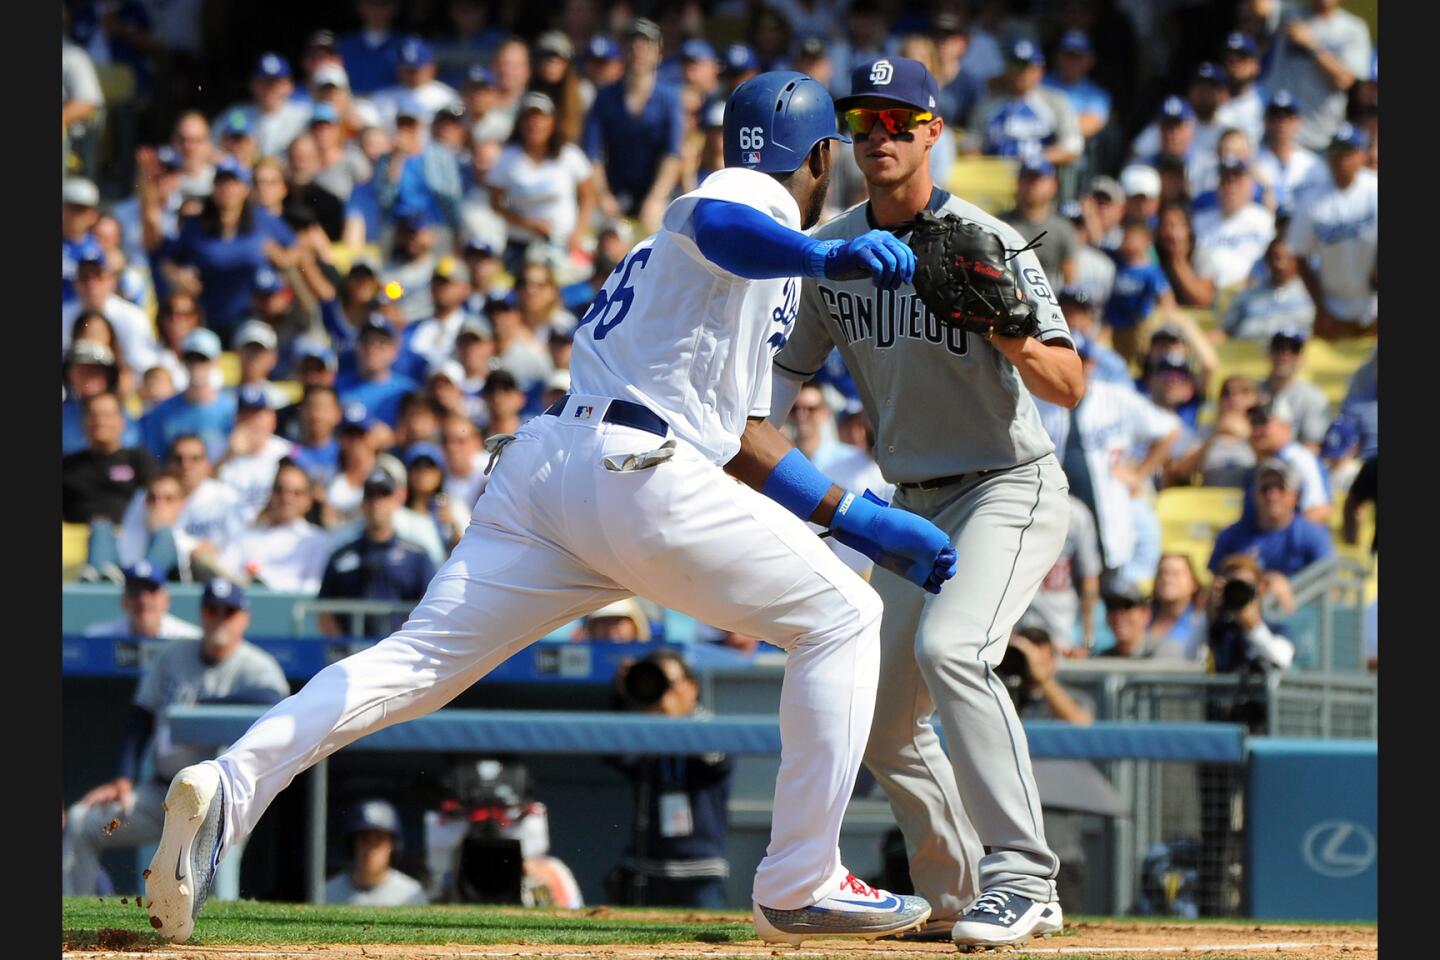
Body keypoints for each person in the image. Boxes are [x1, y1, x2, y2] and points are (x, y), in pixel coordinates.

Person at [145, 70, 947, 946]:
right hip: (635, 469)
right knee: (842, 615)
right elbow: (724, 222)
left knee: (413, 664)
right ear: (822, 154)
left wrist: (856, 517)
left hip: (553, 470)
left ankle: (230, 783)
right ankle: (800, 881)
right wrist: (825, 255)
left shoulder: (741, 258)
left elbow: (747, 435)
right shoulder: (753, 197)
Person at [769, 56, 1080, 948]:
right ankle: (957, 891)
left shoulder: (983, 235)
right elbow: (780, 383)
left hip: (1006, 483)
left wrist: (1004, 324)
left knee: (956, 651)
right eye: (865, 123)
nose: (881, 137)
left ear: (933, 131)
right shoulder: (833, 254)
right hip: (911, 503)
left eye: (900, 122)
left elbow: (1067, 384)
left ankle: (1026, 877)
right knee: (878, 714)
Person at [62, 578, 288, 896]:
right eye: (212, 609)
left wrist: (205, 704)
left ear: (244, 618)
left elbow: (273, 699)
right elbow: (141, 719)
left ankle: (215, 943)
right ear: (202, 614)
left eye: (229, 611)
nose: (219, 617)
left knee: (215, 881)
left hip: (220, 804)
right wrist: (124, 778)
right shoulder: (173, 656)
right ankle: (71, 919)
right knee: (82, 821)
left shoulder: (257, 665)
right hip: (162, 793)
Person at [1038, 337, 1180, 588]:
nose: (1077, 364)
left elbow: (1168, 429)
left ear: (1092, 363)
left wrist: (1139, 473)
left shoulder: (1115, 398)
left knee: (1112, 593)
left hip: (1110, 522)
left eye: (1081, 358)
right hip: (1062, 522)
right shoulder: (1038, 400)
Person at [606, 650, 735, 907]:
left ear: (692, 687)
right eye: (657, 685)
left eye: (670, 685)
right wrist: (624, 699)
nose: (663, 694)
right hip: (646, 869)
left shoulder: (711, 728)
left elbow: (712, 762)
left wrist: (672, 720)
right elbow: (617, 756)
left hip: (700, 870)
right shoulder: (647, 730)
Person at [582, 18, 685, 232]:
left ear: (659, 53)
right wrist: (604, 197)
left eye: (646, 45)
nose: (638, 50)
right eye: (632, 44)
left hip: (657, 191)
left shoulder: (670, 98)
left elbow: (673, 154)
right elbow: (592, 154)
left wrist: (656, 198)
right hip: (614, 190)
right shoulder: (605, 96)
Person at [317, 467, 437, 638]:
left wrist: (399, 641)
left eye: (384, 495)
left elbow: (430, 603)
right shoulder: (341, 557)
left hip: (401, 650)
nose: (377, 502)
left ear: (396, 501)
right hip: (352, 655)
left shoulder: (416, 556)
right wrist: (342, 647)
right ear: (362, 503)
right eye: (371, 495)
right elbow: (324, 610)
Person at [1286, 124, 1378, 339]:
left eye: (1348, 153)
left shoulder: (1375, 189)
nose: (1341, 160)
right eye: (1336, 153)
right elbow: (1299, 255)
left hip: (1375, 304)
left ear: (1360, 155)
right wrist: (1320, 306)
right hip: (1334, 307)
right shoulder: (1311, 201)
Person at [488, 91, 597, 270]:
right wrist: (528, 223)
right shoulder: (507, 158)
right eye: (529, 118)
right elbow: (496, 203)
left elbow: (588, 196)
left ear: (553, 122)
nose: (535, 124)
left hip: (564, 240)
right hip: (521, 242)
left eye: (541, 118)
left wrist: (579, 232)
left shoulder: (569, 155)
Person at [1263, 0, 1372, 152]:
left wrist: (1313, 48)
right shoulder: (1289, 13)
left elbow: (1347, 81)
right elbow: (1259, 9)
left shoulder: (1353, 29)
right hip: (1277, 135)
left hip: (1320, 139)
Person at [1210, 458, 1334, 578]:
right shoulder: (1232, 536)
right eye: (1265, 489)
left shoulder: (1311, 535)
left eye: (1281, 488)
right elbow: (1216, 581)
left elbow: (1328, 582)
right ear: (1254, 495)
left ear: (1295, 496)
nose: (1272, 496)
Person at [219, 459, 332, 592]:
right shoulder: (245, 536)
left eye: (296, 493)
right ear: (271, 493)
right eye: (280, 490)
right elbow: (223, 579)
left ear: (308, 500)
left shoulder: (318, 541)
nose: (286, 498)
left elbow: (312, 589)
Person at [965, 40, 1082, 167]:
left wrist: (1034, 161)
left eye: (1028, 66)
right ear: (1007, 68)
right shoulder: (987, 104)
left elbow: (1072, 147)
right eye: (1017, 65)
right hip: (994, 177)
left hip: (1037, 178)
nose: (1022, 72)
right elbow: (971, 146)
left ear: (1040, 70)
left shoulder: (1056, 102)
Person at [1018, 495, 1101, 656]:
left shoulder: (1075, 513)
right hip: (1023, 627)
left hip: (1063, 627)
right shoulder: (1014, 505)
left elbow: (1089, 579)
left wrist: (1087, 638)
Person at [139, 329, 237, 462]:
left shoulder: (231, 410)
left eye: (203, 359)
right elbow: (156, 459)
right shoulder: (162, 411)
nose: (196, 365)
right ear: (182, 360)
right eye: (191, 358)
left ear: (215, 362)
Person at [63, 392, 157, 525]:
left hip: (127, 538)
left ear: (121, 422)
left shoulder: (139, 460)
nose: (99, 422)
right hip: (75, 539)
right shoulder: (68, 465)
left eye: (107, 415)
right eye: (93, 415)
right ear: (83, 421)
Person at [1191, 158, 1275, 294]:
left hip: (1251, 292)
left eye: (1236, 181)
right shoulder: (1199, 221)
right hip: (1208, 293)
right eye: (1225, 181)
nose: (1230, 187)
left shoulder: (1264, 220)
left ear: (1250, 186)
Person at [324, 799, 429, 906]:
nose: (371, 848)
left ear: (392, 845)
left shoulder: (411, 894)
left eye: (379, 839)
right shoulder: (327, 892)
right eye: (365, 839)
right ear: (352, 843)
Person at [216, 386, 297, 522]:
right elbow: (200, 489)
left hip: (270, 528)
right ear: (236, 419)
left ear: (272, 419)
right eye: (245, 415)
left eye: (257, 415)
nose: (251, 421)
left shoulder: (287, 451)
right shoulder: (219, 449)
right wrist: (229, 454)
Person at [1245, 400, 1331, 523]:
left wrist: (1284, 538)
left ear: (1285, 425)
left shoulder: (1299, 459)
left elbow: (1318, 510)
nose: (1256, 429)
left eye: (1262, 422)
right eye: (1253, 422)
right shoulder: (1259, 463)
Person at [999, 158, 1078, 288]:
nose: (1032, 185)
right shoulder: (1000, 224)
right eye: (1027, 179)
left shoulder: (1063, 229)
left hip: (1049, 301)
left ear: (1054, 185)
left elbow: (1070, 281)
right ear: (1018, 182)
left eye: (1038, 179)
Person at [1218, 238, 1315, 342]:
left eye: (1289, 258)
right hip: (1245, 354)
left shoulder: (1313, 297)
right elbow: (1225, 332)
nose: (1281, 265)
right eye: (1276, 258)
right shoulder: (1248, 295)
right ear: (1267, 261)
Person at [83, 561, 203, 640]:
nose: (143, 600)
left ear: (166, 600)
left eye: (151, 591)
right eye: (135, 592)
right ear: (124, 600)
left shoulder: (190, 640)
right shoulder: (99, 638)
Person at [1261, 329, 1331, 450]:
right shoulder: (1250, 391)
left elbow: (1313, 445)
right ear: (1269, 353)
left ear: (1301, 358)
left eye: (1294, 350)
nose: (1284, 355)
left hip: (1293, 463)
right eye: (1279, 348)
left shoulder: (1313, 397)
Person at [1094, 580, 1187, 660]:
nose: (1119, 615)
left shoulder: (1166, 650)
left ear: (1145, 614)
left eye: (1127, 606)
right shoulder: (1103, 658)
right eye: (1112, 607)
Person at [1146, 553, 1203, 653]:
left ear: (1193, 583)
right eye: (1162, 573)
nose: (1167, 579)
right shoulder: (1143, 618)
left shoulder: (1201, 622)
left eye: (1176, 574)